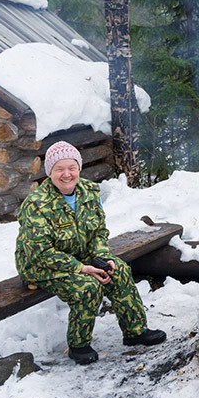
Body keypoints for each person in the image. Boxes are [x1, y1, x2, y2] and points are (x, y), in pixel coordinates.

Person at [15, 141, 166, 365]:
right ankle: (79, 345)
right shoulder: (37, 204)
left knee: (120, 271)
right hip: (40, 265)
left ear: (79, 168)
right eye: (59, 169)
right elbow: (40, 252)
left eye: (72, 167)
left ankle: (135, 332)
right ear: (50, 172)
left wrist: (101, 257)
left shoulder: (89, 192)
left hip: (80, 255)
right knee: (87, 286)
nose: (67, 174)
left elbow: (98, 231)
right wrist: (81, 268)